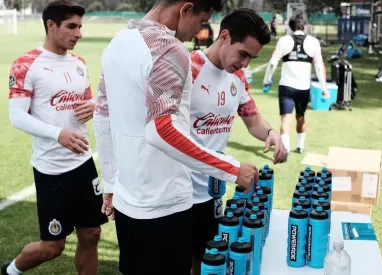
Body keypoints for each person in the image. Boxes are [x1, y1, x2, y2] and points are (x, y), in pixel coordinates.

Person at [92, 1, 259, 274]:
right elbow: (161, 130)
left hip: (127, 202)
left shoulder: (118, 43)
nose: (199, 31)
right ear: (185, 9)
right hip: (164, 207)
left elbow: (102, 115)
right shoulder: (171, 49)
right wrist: (232, 169)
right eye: (201, 21)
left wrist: (110, 182)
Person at [2, 1, 107, 275]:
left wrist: (93, 104)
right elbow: (17, 116)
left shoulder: (79, 63)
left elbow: (86, 102)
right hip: (52, 169)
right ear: (51, 25)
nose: (79, 33)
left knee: (92, 232)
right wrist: (57, 134)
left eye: (80, 27)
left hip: (83, 163)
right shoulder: (27, 64)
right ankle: (11, 271)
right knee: (53, 247)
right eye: (72, 26)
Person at [189, 8, 287, 274]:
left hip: (215, 190)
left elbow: (253, 121)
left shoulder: (238, 77)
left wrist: (271, 134)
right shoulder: (189, 69)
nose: (245, 64)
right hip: (180, 192)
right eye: (243, 54)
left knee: (208, 259)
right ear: (224, 36)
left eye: (251, 58)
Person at [262, 16, 329, 155]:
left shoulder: (284, 40)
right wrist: (323, 88)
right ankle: (300, 146)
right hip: (303, 88)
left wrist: (267, 79)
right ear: (304, 27)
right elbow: (318, 65)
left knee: (285, 118)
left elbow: (273, 63)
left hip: (286, 87)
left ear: (291, 27)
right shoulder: (313, 42)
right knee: (300, 117)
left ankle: (285, 150)